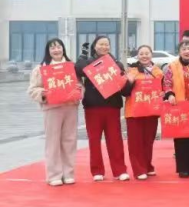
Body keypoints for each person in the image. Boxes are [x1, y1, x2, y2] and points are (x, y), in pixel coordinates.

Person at [75, 35, 131, 182]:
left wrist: (129, 82)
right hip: (92, 107)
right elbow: (78, 68)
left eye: (107, 44)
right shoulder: (88, 63)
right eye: (101, 44)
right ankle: (97, 170)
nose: (104, 47)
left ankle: (120, 170)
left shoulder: (116, 64)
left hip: (112, 106)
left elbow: (124, 88)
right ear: (95, 46)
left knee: (115, 140)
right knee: (94, 140)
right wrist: (83, 54)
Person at [28, 38, 82, 186]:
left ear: (63, 49)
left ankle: (68, 173)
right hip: (52, 109)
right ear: (48, 51)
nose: (56, 50)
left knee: (69, 141)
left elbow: (80, 85)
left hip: (70, 107)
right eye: (52, 48)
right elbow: (32, 89)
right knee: (52, 142)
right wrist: (43, 93)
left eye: (59, 47)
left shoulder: (72, 67)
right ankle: (54, 175)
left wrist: (79, 89)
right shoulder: (41, 69)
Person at [162, 40, 189, 178]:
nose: (187, 51)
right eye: (184, 49)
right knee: (180, 139)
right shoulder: (172, 66)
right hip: (179, 107)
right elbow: (167, 83)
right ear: (179, 52)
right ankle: (183, 168)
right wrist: (170, 94)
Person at [123, 45, 164, 180]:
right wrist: (129, 82)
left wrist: (163, 93)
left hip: (151, 111)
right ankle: (138, 169)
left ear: (151, 55)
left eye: (147, 53)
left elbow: (163, 88)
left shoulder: (158, 72)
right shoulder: (132, 71)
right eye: (141, 54)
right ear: (137, 56)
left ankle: (147, 166)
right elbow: (124, 92)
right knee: (135, 142)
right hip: (134, 112)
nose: (144, 56)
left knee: (148, 140)